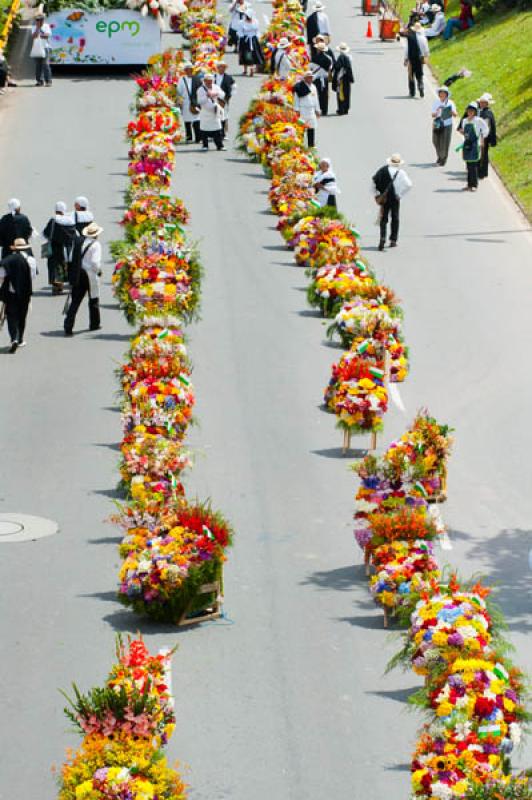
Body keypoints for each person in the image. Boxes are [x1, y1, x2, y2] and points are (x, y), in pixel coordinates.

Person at [64, 222, 103, 335]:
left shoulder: (78, 242)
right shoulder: (96, 245)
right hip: (90, 274)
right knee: (93, 299)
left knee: (75, 300)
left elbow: (71, 257)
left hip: (79, 273)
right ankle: (94, 323)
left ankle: (68, 325)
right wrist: (99, 271)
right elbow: (95, 263)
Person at [0, 238, 37, 352]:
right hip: (25, 293)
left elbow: (1, 276)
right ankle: (20, 338)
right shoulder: (31, 260)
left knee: (11, 316)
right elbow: (33, 276)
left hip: (11, 293)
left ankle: (13, 338)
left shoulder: (7, 260)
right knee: (22, 316)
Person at [372, 154, 412, 251]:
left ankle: (383, 237)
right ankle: (393, 240)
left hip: (384, 198)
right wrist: (400, 194)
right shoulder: (401, 172)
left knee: (383, 218)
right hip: (395, 198)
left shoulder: (383, 170)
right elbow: (409, 185)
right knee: (395, 218)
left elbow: (374, 181)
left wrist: (377, 195)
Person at [42, 201, 78, 294]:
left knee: (55, 266)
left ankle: (57, 286)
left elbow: (46, 233)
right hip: (67, 248)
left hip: (55, 248)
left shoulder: (54, 220)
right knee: (65, 265)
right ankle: (67, 283)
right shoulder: (70, 221)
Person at [458, 101, 488, 191]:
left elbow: (486, 130)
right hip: (467, 145)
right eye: (468, 111)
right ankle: (469, 184)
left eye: (472, 111)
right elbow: (464, 132)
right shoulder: (464, 121)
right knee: (468, 165)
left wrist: (482, 138)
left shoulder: (479, 121)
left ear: (475, 112)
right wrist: (462, 132)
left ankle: (474, 185)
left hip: (475, 145)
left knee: (473, 165)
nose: (470, 112)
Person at [196, 74, 226, 151]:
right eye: (208, 81)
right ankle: (205, 145)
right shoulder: (200, 89)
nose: (209, 82)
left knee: (217, 129)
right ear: (204, 81)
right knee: (204, 130)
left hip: (215, 112)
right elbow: (199, 101)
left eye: (211, 81)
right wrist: (207, 96)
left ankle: (220, 145)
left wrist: (216, 93)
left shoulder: (216, 87)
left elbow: (223, 94)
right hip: (205, 113)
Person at [294, 70, 321, 148]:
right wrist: (297, 110)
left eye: (311, 77)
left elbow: (316, 99)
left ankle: (311, 146)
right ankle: (300, 146)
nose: (310, 79)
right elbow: (296, 99)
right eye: (308, 77)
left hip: (311, 111)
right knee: (301, 129)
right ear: (305, 78)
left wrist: (317, 110)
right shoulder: (299, 87)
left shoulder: (313, 87)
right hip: (302, 111)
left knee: (311, 128)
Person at [177, 63, 202, 144]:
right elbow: (179, 91)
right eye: (186, 70)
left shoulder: (197, 79)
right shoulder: (181, 79)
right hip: (185, 102)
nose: (188, 71)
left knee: (196, 119)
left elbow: (201, 90)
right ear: (185, 71)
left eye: (190, 69)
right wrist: (179, 101)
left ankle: (198, 137)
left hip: (195, 102)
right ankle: (189, 137)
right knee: (187, 120)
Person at [431, 86, 457, 166]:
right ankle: (439, 156)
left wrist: (450, 110)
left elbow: (455, 115)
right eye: (440, 93)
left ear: (446, 94)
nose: (441, 94)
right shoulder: (436, 102)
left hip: (447, 125)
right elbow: (432, 115)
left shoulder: (451, 103)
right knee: (435, 141)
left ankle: (443, 159)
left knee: (445, 143)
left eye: (443, 93)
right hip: (437, 123)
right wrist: (437, 110)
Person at [403, 22, 429, 98]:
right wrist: (426, 57)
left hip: (412, 59)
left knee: (411, 75)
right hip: (420, 58)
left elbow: (407, 49)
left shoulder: (411, 37)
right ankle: (421, 86)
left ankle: (412, 92)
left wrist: (405, 59)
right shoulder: (424, 38)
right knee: (419, 74)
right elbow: (426, 50)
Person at [237, 10, 264, 77]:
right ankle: (245, 69)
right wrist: (243, 37)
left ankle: (252, 68)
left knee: (253, 54)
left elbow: (257, 31)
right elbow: (239, 31)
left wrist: (258, 37)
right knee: (245, 54)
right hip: (245, 40)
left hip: (253, 39)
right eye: (247, 16)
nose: (248, 18)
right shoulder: (241, 22)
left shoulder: (255, 22)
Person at [310, 40, 333, 116]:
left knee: (317, 95)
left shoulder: (314, 58)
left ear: (319, 49)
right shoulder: (329, 58)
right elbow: (330, 68)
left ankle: (317, 110)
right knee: (325, 95)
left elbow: (311, 68)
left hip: (316, 79)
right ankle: (325, 110)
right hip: (325, 79)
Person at [30, 11, 52, 87]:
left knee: (45, 64)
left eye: (41, 19)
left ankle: (48, 81)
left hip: (46, 47)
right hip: (37, 48)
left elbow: (47, 35)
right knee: (38, 65)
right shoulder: (33, 27)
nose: (39, 21)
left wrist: (40, 32)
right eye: (37, 20)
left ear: (43, 19)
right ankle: (39, 81)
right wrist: (37, 28)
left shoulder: (46, 26)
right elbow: (33, 36)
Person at [478, 93, 497, 179]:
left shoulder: (486, 114)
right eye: (480, 102)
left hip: (483, 137)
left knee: (482, 155)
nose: (480, 104)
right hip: (485, 137)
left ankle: (481, 173)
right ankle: (484, 172)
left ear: (486, 104)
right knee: (484, 154)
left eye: (482, 102)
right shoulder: (488, 112)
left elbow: (485, 126)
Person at [214, 61, 235, 139]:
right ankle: (215, 133)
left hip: (224, 100)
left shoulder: (229, 77)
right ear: (217, 68)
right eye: (220, 67)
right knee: (215, 115)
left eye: (223, 67)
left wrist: (229, 97)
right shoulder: (213, 77)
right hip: (215, 99)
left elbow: (234, 87)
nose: (221, 69)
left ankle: (223, 133)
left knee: (224, 115)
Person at [333, 43, 354, 116]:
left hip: (340, 78)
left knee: (340, 94)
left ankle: (341, 109)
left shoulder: (340, 58)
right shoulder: (349, 57)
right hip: (347, 78)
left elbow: (337, 67)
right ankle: (346, 109)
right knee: (347, 93)